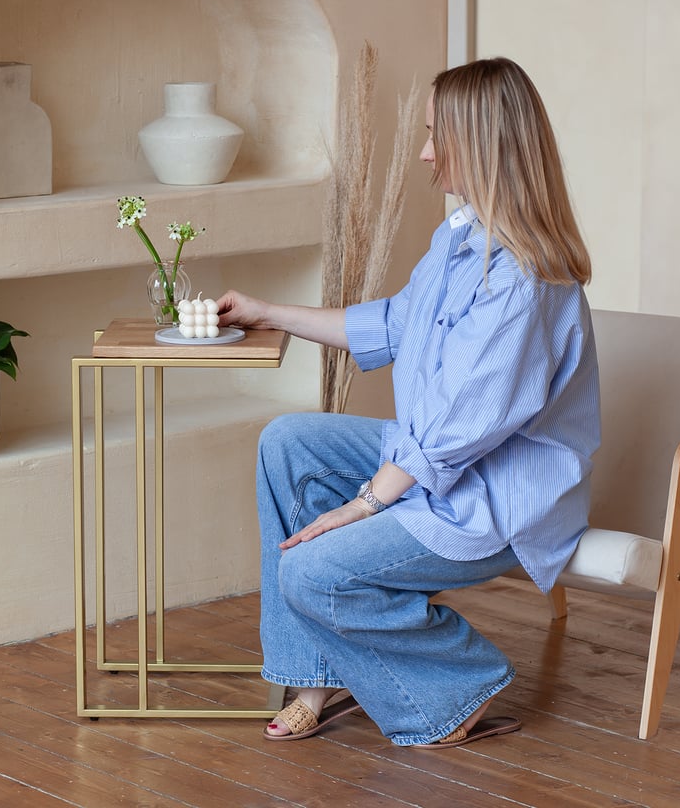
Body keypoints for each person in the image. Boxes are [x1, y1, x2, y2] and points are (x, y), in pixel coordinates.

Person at [216, 56, 600, 748]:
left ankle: (460, 683)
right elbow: (392, 324)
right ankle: (316, 676)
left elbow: (456, 431)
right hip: (434, 462)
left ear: (480, 145)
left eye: (434, 136)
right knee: (289, 441)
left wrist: (364, 504)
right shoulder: (460, 238)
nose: (425, 153)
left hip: (494, 499)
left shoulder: (524, 279)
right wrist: (267, 312)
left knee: (311, 571)